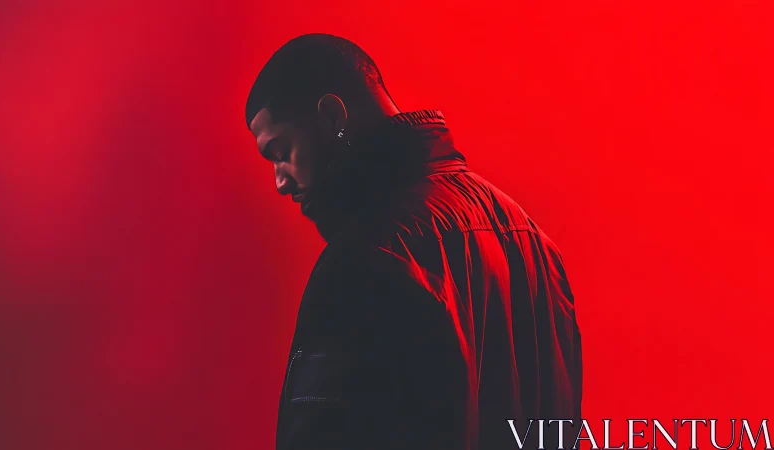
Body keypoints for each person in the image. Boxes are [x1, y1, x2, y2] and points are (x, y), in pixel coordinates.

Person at [245, 33, 583, 450]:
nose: (279, 181)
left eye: (281, 151)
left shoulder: (366, 257)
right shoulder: (531, 241)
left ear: (332, 117)